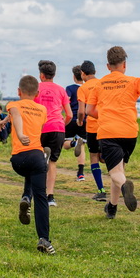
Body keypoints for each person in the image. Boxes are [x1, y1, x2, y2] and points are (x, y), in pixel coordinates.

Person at [86, 46, 140, 219]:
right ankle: (112, 207)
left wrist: (104, 115)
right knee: (119, 169)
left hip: (109, 132)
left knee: (115, 173)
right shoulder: (133, 81)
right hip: (129, 132)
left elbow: (89, 110)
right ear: (124, 64)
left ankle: (125, 186)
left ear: (108, 66)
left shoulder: (99, 84)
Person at [0, 75, 54, 254]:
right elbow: (18, 116)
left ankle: (25, 198)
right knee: (41, 196)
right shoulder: (42, 109)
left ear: (18, 91)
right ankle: (44, 239)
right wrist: (20, 131)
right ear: (37, 94)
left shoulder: (13, 104)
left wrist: (11, 126)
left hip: (18, 160)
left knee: (31, 171)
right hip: (36, 156)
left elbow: (16, 114)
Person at [35, 60, 73, 207]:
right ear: (54, 74)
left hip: (40, 128)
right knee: (52, 162)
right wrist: (61, 124)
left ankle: (36, 192)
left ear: (41, 75)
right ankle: (50, 197)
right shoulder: (61, 90)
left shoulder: (36, 88)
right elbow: (69, 115)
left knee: (37, 160)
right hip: (57, 127)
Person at [76, 60, 107, 201]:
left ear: (82, 73)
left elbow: (81, 111)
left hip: (93, 127)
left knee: (94, 157)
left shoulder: (82, 88)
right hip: (106, 125)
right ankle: (119, 183)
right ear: (95, 71)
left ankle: (101, 190)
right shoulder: (103, 84)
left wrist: (80, 120)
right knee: (107, 157)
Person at [62, 65, 87, 181]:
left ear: (74, 76)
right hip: (84, 120)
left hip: (72, 119)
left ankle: (73, 143)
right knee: (82, 146)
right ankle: (81, 174)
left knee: (64, 144)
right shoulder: (87, 88)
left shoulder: (70, 88)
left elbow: (66, 101)